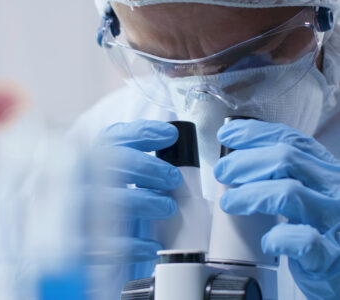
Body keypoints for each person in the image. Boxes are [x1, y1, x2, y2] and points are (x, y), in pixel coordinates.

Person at [69, 0, 340, 299]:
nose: (206, 116)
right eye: (165, 64)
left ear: (326, 12)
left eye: (255, 54)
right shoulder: (101, 143)